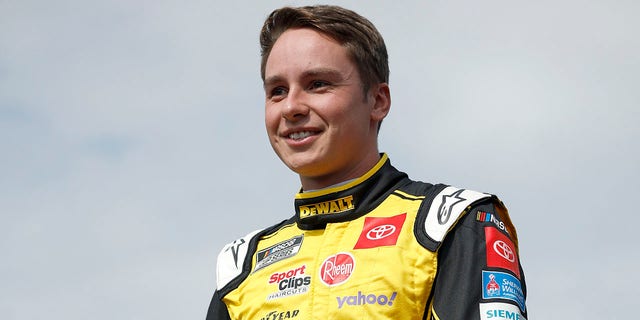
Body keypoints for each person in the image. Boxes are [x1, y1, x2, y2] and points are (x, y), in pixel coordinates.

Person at [206, 5, 527, 320]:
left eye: (317, 84)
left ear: (377, 101)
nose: (291, 107)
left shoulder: (450, 222)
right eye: (277, 91)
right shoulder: (242, 265)